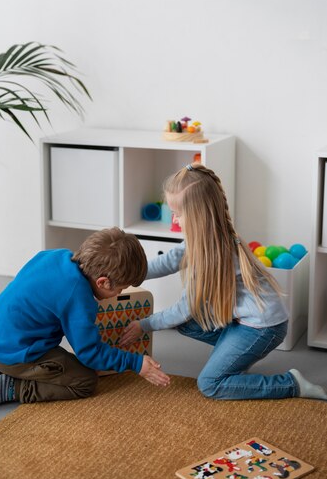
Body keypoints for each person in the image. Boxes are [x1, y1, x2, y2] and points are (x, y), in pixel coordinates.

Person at [120, 163, 327, 401]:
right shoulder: (204, 238)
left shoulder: (213, 255)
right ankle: (234, 357)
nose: (175, 220)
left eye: (178, 213)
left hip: (263, 327)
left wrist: (143, 325)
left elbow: (184, 310)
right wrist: (132, 274)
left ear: (198, 215)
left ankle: (292, 384)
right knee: (187, 324)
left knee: (210, 384)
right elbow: (168, 261)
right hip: (243, 321)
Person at [0, 227, 170, 411]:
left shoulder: (56, 256)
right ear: (103, 282)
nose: (120, 293)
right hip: (16, 355)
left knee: (69, 363)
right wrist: (135, 362)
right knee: (85, 380)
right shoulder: (78, 297)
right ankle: (13, 386)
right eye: (121, 288)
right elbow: (90, 353)